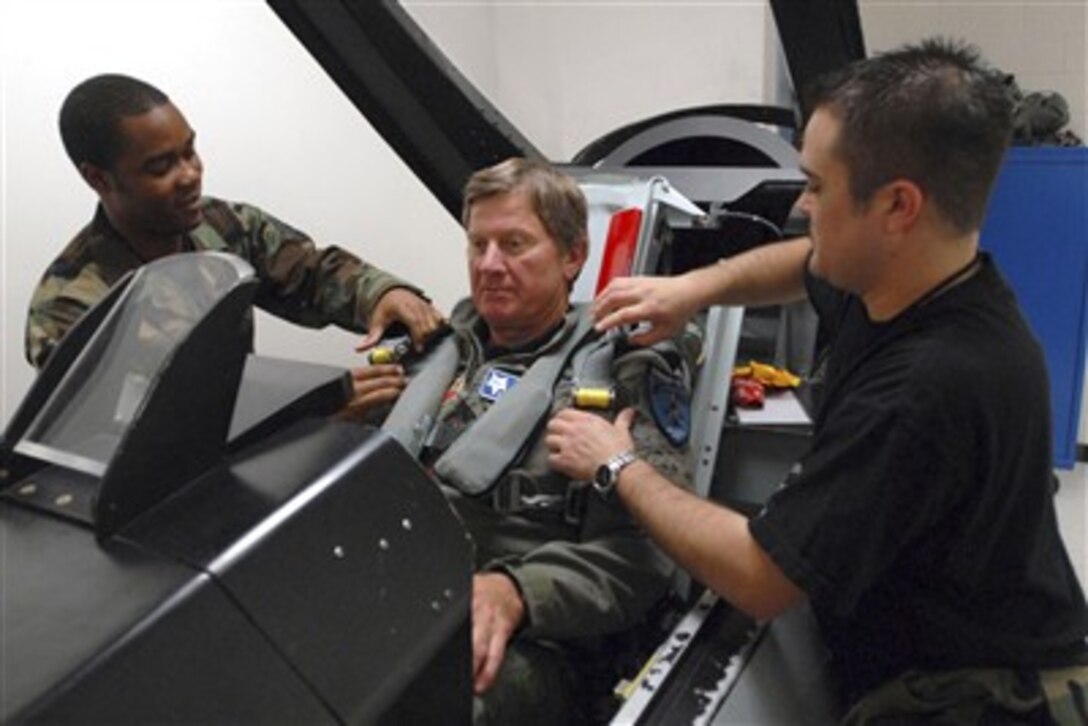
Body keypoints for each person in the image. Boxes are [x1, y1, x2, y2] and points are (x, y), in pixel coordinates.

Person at [546, 38, 1088, 724]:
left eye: (817, 186)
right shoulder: (908, 278)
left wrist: (616, 464)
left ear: (898, 208)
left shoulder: (927, 388)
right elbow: (803, 262)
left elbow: (761, 577)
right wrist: (690, 290)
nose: (802, 207)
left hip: (976, 697)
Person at [377, 157, 695, 724]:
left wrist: (517, 590)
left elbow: (644, 557)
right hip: (403, 592)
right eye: (479, 245)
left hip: (544, 637)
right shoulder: (439, 354)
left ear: (574, 256)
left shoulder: (621, 373)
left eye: (515, 244)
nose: (491, 265)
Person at [25, 73, 444, 415]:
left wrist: (383, 294)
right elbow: (141, 444)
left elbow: (312, 273)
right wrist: (310, 416)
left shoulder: (222, 226)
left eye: (189, 151)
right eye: (161, 166)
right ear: (98, 179)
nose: (190, 175)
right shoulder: (72, 310)